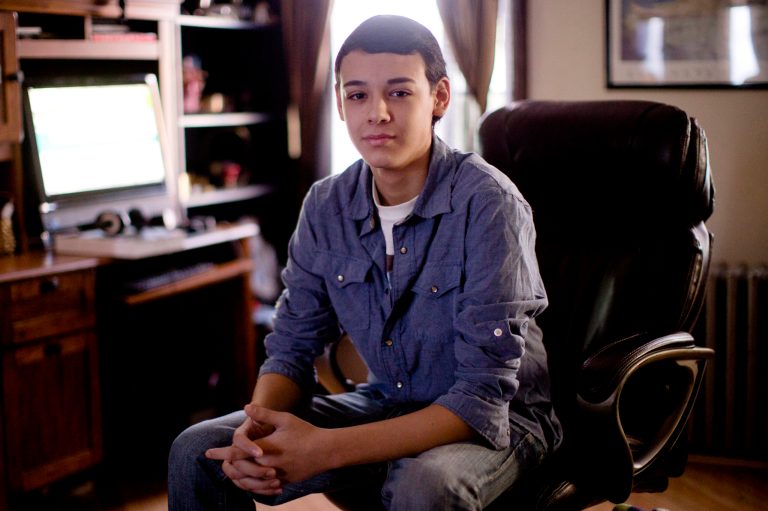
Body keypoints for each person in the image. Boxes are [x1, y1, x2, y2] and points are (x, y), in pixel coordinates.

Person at [168, 14, 561, 510]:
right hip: (388, 402)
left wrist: (326, 449)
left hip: (502, 421)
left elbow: (481, 399)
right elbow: (291, 348)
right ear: (339, 102)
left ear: (438, 97)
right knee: (199, 451)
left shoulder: (490, 204)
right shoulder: (325, 204)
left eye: (399, 93)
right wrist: (255, 430)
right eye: (357, 95)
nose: (376, 113)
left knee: (427, 485)